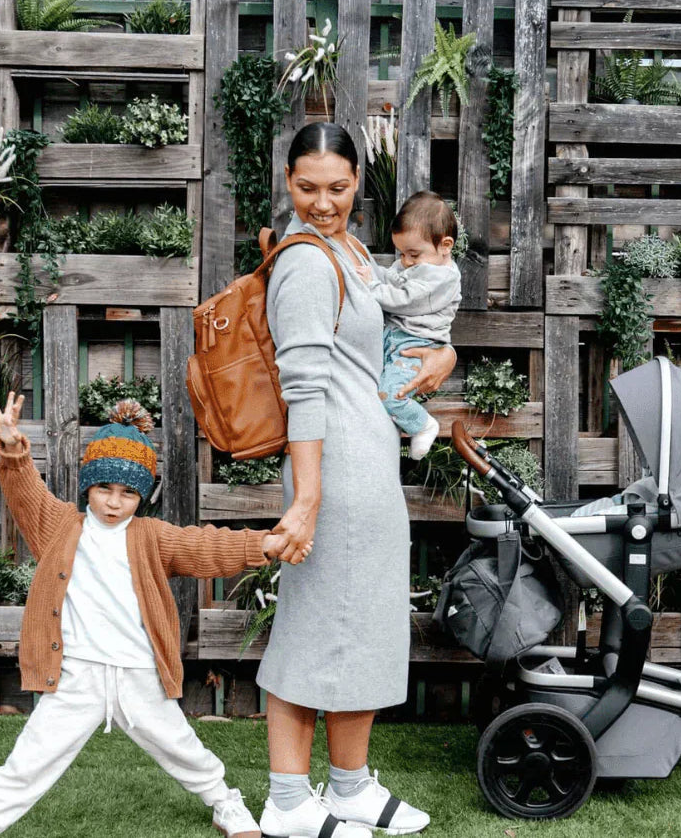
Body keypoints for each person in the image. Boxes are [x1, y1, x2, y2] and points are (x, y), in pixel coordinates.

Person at [0, 393, 284, 838]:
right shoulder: (59, 526)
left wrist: (263, 544)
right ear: (88, 486)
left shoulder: (153, 536)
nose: (114, 503)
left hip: (139, 672)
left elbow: (205, 545)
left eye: (128, 493)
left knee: (182, 748)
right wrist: (12, 446)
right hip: (76, 674)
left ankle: (224, 803)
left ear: (142, 495)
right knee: (31, 758)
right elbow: (25, 491)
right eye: (104, 488)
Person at [257, 122, 455, 838]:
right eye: (307, 187)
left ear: (357, 184)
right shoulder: (306, 263)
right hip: (333, 472)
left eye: (337, 188)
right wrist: (309, 498)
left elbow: (397, 339)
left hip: (366, 465)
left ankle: (348, 787)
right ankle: (286, 800)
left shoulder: (353, 252)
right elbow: (304, 387)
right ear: (288, 182)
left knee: (364, 629)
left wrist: (445, 356)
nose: (322, 202)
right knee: (312, 632)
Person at [371, 190, 463, 460]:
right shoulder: (421, 264)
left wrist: (370, 286)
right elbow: (393, 278)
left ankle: (422, 425)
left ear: (445, 245)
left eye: (413, 254)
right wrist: (375, 274)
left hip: (416, 344)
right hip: (398, 337)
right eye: (401, 253)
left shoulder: (441, 278)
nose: (405, 261)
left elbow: (404, 299)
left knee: (391, 394)